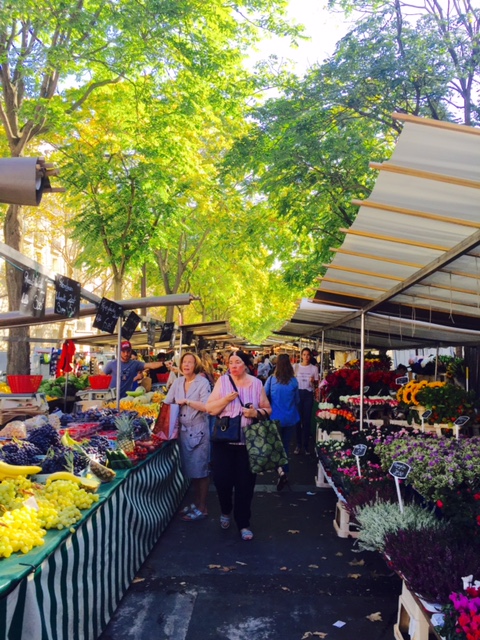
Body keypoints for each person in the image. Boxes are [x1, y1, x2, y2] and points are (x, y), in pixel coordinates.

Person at [205, 351, 271, 541]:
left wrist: (254, 413)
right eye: (230, 362)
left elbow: (267, 409)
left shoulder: (256, 383)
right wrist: (226, 400)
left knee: (245, 485)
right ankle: (225, 510)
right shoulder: (223, 382)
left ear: (246, 365)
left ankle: (243, 522)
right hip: (224, 442)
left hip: (248, 444)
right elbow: (210, 409)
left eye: (237, 362)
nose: (233, 365)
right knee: (222, 481)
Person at [164, 352, 211, 520]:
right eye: (184, 362)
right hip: (184, 432)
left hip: (199, 431)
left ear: (195, 365)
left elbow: (207, 406)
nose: (186, 365)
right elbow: (167, 402)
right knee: (191, 470)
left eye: (190, 362)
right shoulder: (178, 382)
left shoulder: (202, 382)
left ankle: (202, 507)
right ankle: (196, 503)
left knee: (201, 471)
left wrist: (187, 401)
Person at [265, 353, 300, 491]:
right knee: (285, 445)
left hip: (275, 418)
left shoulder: (271, 380)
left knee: (275, 446)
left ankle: (281, 471)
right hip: (290, 418)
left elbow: (264, 396)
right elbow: (297, 400)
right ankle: (284, 471)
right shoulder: (294, 381)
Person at [103, 340, 168, 399]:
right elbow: (101, 377)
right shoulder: (111, 364)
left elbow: (150, 365)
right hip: (112, 399)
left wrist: (164, 363)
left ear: (131, 351)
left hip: (127, 399)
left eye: (128, 351)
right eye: (123, 351)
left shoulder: (135, 364)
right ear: (119, 352)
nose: (126, 354)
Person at [293, 347, 319, 455]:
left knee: (307, 421)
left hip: (308, 394)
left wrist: (313, 382)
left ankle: (306, 445)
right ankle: (298, 444)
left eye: (308, 355)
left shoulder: (314, 368)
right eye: (304, 354)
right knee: (298, 420)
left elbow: (316, 384)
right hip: (298, 394)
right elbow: (292, 381)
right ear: (301, 356)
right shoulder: (295, 367)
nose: (306, 357)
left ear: (310, 356)